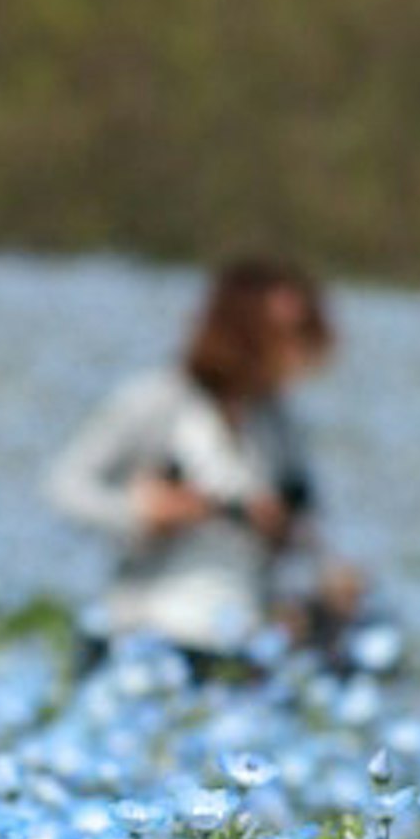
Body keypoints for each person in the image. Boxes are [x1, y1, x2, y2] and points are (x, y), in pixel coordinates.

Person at [48, 256, 366, 669]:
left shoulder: (278, 424)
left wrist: (292, 540)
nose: (298, 353)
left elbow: (307, 522)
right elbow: (64, 487)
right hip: (143, 630)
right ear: (240, 333)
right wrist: (142, 509)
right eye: (284, 335)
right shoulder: (158, 401)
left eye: (305, 334)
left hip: (239, 638)